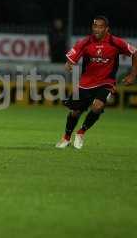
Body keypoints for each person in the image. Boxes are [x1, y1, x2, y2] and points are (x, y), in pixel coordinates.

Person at [56, 16, 136, 149]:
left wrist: (133, 75)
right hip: (85, 83)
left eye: (100, 27)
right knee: (75, 112)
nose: (97, 29)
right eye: (95, 26)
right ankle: (66, 138)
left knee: (97, 106)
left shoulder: (115, 42)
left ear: (106, 29)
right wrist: (69, 63)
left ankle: (81, 132)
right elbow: (73, 55)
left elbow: (135, 53)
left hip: (106, 82)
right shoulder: (86, 42)